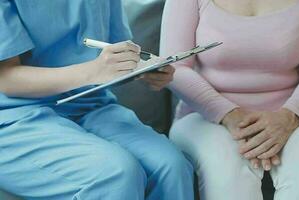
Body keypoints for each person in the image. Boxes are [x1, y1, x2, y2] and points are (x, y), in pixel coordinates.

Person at [0, 1, 194, 200]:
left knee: (171, 166)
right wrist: (93, 71)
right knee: (115, 174)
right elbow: (5, 78)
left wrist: (141, 68)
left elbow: (112, 54)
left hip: (91, 106)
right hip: (16, 115)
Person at [161, 0, 299, 199]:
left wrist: (288, 117)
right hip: (205, 117)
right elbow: (175, 68)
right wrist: (229, 114)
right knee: (226, 170)